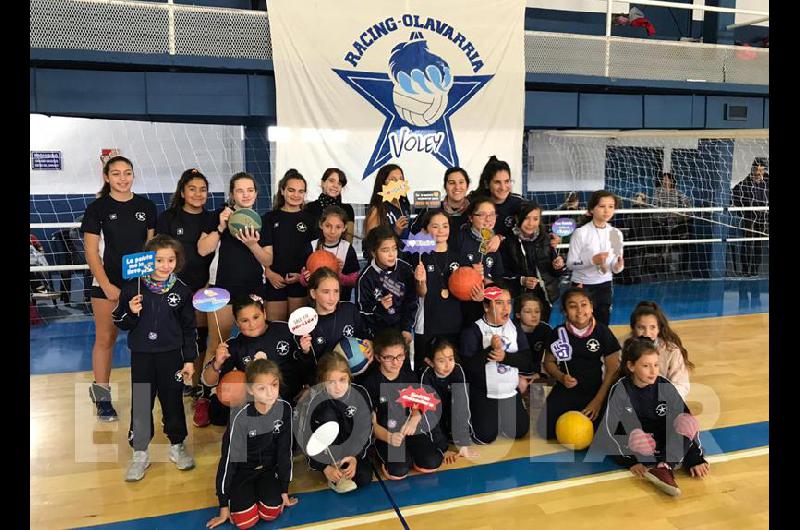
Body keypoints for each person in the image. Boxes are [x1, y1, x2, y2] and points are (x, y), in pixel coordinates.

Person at [111, 235, 197, 481]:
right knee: (141, 401)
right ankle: (140, 453)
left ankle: (177, 445)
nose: (165, 265)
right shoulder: (132, 287)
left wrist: (189, 359)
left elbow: (189, 328)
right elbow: (120, 321)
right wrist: (130, 311)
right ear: (148, 261)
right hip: (142, 355)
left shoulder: (181, 290)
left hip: (171, 356)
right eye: (159, 260)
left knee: (172, 400)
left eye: (170, 260)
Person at [82, 156, 157, 421]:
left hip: (139, 285)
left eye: (127, 173)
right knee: (106, 339)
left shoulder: (146, 206)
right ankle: (101, 396)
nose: (123, 178)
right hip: (107, 285)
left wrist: (150, 284)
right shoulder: (97, 208)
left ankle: (146, 397)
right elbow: (91, 252)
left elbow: (151, 250)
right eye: (116, 174)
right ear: (107, 177)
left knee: (143, 341)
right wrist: (107, 286)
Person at [598, 337, 708, 497]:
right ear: (631, 366)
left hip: (664, 442)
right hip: (638, 446)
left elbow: (685, 417)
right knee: (637, 436)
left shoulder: (664, 386)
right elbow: (608, 431)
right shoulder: (620, 390)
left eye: (656, 365)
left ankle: (663, 467)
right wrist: (630, 462)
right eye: (646, 366)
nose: (653, 371)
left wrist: (694, 458)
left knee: (687, 421)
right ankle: (663, 466)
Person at [198, 172, 272, 400]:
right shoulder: (218, 217)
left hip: (253, 291)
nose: (245, 194)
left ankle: (259, 392)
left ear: (256, 193)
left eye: (250, 190)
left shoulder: (262, 222)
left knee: (257, 344)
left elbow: (267, 260)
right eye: (240, 190)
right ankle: (207, 396)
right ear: (232, 194)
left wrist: (252, 244)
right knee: (216, 345)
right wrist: (220, 227)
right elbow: (203, 249)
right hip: (222, 290)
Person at [207, 359, 298, 529]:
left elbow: (284, 451)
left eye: (274, 385)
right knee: (245, 522)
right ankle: (244, 495)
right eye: (261, 388)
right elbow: (228, 460)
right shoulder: (240, 416)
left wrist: (284, 489)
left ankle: (262, 494)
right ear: (250, 389)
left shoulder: (284, 408)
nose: (270, 393)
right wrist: (223, 505)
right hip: (242, 471)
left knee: (271, 512)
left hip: (267, 470)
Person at [196, 295, 313, 427]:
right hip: (256, 400)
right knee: (218, 411)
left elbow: (307, 366)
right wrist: (217, 363)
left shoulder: (285, 331)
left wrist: (305, 352)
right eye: (244, 320)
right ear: (236, 322)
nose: (252, 324)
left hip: (288, 395)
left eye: (256, 317)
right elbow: (207, 381)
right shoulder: (234, 346)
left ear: (264, 313)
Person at [156, 168, 217, 397]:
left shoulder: (212, 219)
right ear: (182, 191)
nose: (198, 194)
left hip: (203, 288)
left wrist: (208, 285)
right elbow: (158, 253)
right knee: (173, 337)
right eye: (192, 189)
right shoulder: (168, 218)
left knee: (198, 337)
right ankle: (174, 381)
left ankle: (196, 385)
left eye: (203, 189)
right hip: (173, 287)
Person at [360, 328, 446, 480]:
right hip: (387, 435)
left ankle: (410, 455)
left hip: (409, 431)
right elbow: (371, 424)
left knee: (432, 462)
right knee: (398, 470)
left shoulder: (409, 376)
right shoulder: (370, 383)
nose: (395, 362)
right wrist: (389, 437)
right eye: (389, 357)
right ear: (379, 357)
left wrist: (415, 418)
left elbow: (418, 404)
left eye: (400, 356)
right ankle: (398, 458)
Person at [539, 287, 621, 440]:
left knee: (600, 436)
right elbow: (548, 362)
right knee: (545, 431)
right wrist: (561, 377)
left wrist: (597, 402)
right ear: (564, 312)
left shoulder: (602, 332)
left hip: (596, 390)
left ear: (591, 307)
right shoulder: (558, 333)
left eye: (584, 304)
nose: (579, 310)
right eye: (572, 306)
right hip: (567, 388)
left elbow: (613, 369)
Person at [459, 281, 533, 444]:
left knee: (519, 431)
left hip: (508, 390)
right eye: (499, 303)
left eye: (508, 303)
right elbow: (468, 369)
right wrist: (490, 351)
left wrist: (505, 357)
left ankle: (501, 415)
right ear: (486, 307)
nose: (506, 308)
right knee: (484, 437)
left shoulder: (514, 328)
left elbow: (527, 361)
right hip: (483, 391)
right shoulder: (473, 331)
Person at [295, 353, 374, 493]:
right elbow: (305, 438)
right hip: (328, 455)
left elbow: (365, 430)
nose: (338, 387)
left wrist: (354, 457)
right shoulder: (314, 402)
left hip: (352, 450)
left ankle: (346, 466)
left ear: (349, 377)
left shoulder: (360, 394)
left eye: (342, 379)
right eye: (331, 382)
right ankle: (334, 470)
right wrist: (324, 467)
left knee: (363, 478)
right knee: (327, 415)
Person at [262, 169, 318, 321]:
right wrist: (269, 272)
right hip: (275, 280)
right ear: (282, 191)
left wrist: (303, 277)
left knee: (297, 331)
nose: (296, 195)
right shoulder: (269, 218)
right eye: (291, 190)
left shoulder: (311, 220)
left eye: (301, 191)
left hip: (300, 282)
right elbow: (263, 251)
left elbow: (316, 255)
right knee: (276, 328)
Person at [412, 209, 464, 373]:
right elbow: (421, 293)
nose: (441, 230)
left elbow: (466, 290)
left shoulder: (458, 256)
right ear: (425, 230)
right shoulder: (420, 257)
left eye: (445, 226)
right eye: (435, 226)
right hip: (428, 324)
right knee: (427, 371)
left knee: (453, 371)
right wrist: (421, 281)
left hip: (454, 324)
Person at [500, 202, 565, 324]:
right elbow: (503, 274)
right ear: (517, 219)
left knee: (543, 330)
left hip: (545, 296)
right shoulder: (508, 242)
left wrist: (559, 266)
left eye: (535, 219)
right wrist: (522, 280)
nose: (531, 223)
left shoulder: (546, 239)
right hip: (520, 297)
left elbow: (556, 273)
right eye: (526, 218)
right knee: (522, 331)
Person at [566, 190, 624, 325]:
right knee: (580, 324)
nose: (607, 211)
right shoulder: (581, 233)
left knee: (602, 324)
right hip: (582, 285)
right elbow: (570, 263)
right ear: (592, 208)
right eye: (602, 206)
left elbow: (616, 267)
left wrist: (617, 266)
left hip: (605, 285)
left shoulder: (616, 234)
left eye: (611, 206)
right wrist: (592, 260)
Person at [419, 338, 478, 463]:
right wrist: (443, 448)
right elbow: (429, 414)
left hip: (448, 413)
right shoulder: (425, 377)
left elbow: (462, 406)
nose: (448, 365)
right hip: (432, 418)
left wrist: (463, 443)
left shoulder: (457, 370)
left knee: (479, 435)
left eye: (451, 359)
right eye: (441, 361)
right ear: (429, 362)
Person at [356, 225, 417, 343]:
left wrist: (406, 328)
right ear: (373, 252)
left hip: (401, 333)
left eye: (394, 249)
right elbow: (363, 313)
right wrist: (380, 307)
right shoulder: (365, 278)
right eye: (385, 250)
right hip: (378, 336)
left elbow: (412, 301)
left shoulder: (405, 269)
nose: (391, 254)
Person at [306, 267, 373, 368]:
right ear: (313, 293)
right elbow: (305, 366)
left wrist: (370, 343)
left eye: (336, 291)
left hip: (357, 377)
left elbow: (364, 335)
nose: (332, 298)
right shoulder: (306, 323)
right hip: (325, 379)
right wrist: (305, 351)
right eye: (326, 292)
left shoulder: (349, 310)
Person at [628, 301, 692, 399]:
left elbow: (682, 386)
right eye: (641, 327)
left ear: (659, 329)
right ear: (633, 328)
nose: (647, 333)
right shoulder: (623, 346)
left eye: (652, 327)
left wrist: (658, 397)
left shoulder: (672, 351)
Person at [300, 205, 360, 302]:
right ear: (321, 225)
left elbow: (355, 280)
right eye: (328, 226)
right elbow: (302, 279)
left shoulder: (347, 248)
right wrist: (306, 279)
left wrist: (340, 276)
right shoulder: (312, 246)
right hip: (317, 303)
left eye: (338, 227)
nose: (332, 231)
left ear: (344, 228)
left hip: (341, 301)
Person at [411, 167, 472, 247]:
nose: (457, 187)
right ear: (445, 186)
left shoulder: (475, 211)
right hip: (436, 257)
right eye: (451, 183)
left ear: (467, 186)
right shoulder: (431, 209)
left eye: (461, 182)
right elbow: (414, 235)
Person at [468, 156, 523, 239]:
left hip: (511, 251)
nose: (503, 187)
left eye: (507, 181)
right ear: (487, 184)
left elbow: (530, 231)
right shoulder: (474, 203)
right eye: (497, 182)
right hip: (479, 251)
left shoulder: (519, 203)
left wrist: (500, 238)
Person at [731, 158, 769, 277]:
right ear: (753, 170)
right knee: (748, 243)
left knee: (759, 244)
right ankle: (745, 269)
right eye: (757, 170)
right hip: (750, 216)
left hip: (764, 217)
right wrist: (742, 212)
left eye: (761, 170)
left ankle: (755, 270)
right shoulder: (745, 183)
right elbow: (735, 195)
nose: (759, 173)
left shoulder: (768, 182)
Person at [652, 172, 692, 277]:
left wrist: (681, 211)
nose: (665, 181)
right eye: (663, 179)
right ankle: (659, 266)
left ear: (672, 181)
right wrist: (666, 212)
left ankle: (675, 267)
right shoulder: (658, 191)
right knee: (661, 241)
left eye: (667, 179)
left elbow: (687, 202)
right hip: (661, 220)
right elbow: (655, 205)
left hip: (674, 221)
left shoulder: (677, 192)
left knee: (679, 238)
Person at [363, 164, 412, 247]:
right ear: (383, 183)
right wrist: (395, 231)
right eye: (392, 179)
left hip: (405, 257)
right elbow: (370, 242)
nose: (398, 183)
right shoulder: (377, 209)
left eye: (401, 179)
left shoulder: (404, 205)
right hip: (387, 257)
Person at [304, 168, 355, 243]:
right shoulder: (309, 208)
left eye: (339, 183)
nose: (335, 186)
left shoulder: (347, 209)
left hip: (339, 254)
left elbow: (348, 241)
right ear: (322, 183)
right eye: (331, 181)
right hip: (314, 253)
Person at [516, 293, 553, 382]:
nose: (534, 315)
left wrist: (540, 374)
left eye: (537, 311)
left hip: (536, 374)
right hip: (512, 375)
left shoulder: (545, 329)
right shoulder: (509, 329)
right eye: (528, 312)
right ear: (518, 315)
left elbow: (553, 357)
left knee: (538, 392)